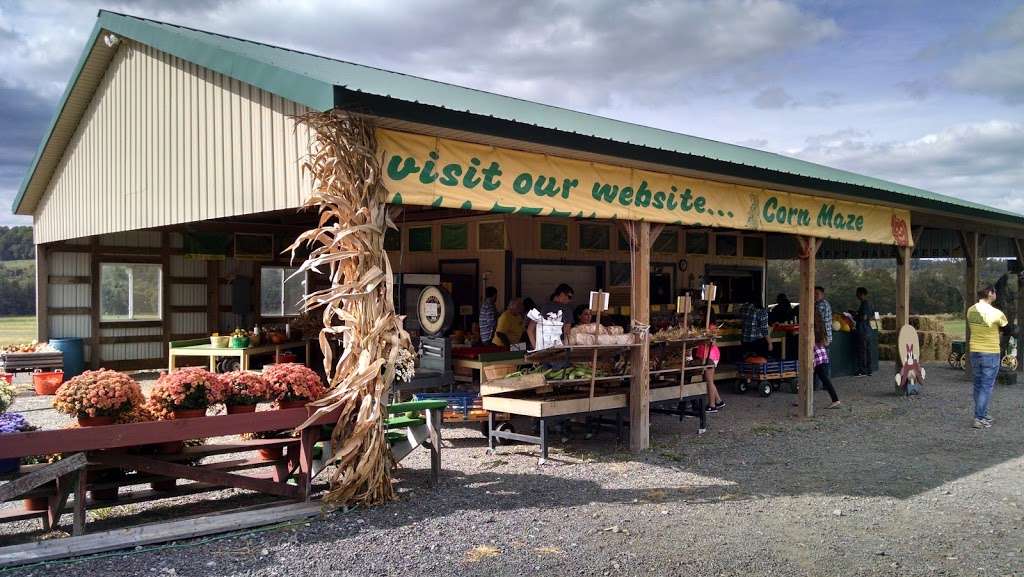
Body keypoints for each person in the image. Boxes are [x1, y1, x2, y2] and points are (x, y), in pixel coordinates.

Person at [967, 285, 1007, 429]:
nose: (995, 294)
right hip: (990, 352)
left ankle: (982, 412)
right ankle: (979, 418)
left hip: (974, 351)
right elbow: (1007, 328)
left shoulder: (970, 310)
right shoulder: (996, 313)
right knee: (986, 386)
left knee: (978, 385)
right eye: (994, 292)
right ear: (990, 294)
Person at [527, 283, 575, 348]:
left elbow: (530, 330)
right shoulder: (567, 310)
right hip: (559, 350)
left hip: (542, 351)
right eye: (569, 297)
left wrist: (536, 348)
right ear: (562, 294)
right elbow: (567, 334)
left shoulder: (541, 307)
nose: (570, 300)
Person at [813, 308, 841, 409]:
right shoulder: (820, 326)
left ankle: (835, 400)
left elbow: (811, 342)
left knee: (824, 379)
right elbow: (826, 342)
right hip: (822, 354)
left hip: (815, 355)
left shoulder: (812, 326)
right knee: (820, 379)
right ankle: (803, 400)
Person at [854, 287, 874, 377]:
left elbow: (864, 317)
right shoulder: (870, 304)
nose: (856, 295)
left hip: (862, 330)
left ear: (861, 294)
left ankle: (862, 370)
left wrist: (855, 316)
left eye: (857, 293)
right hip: (868, 329)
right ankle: (869, 370)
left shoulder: (864, 304)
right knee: (868, 350)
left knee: (862, 350)